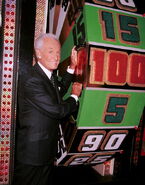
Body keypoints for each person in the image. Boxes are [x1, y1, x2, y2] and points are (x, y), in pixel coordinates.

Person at [13, 33, 82, 185]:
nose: (56, 56)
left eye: (58, 52)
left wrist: (72, 67)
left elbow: (59, 89)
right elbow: (57, 110)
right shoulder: (32, 79)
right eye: (51, 51)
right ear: (38, 53)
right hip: (32, 156)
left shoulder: (48, 76)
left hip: (45, 152)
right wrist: (75, 96)